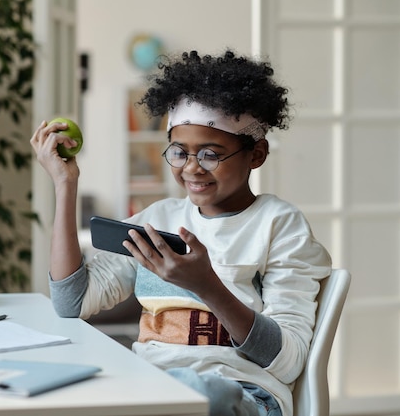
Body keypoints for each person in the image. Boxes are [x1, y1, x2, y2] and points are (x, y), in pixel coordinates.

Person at [30, 49, 332, 416]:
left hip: (243, 394)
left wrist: (207, 286)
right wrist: (65, 185)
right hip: (153, 387)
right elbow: (71, 303)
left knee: (201, 392)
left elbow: (288, 361)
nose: (192, 168)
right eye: (179, 152)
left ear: (256, 154)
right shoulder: (158, 218)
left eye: (210, 154)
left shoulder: (279, 225)